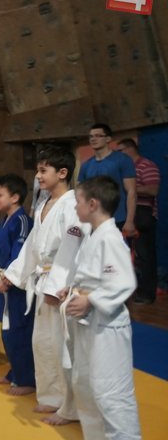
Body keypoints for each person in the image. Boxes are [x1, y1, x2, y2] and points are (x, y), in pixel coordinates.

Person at [3, 145, 85, 426]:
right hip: (42, 281)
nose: (38, 175)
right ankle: (51, 396)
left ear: (62, 173)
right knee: (43, 342)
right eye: (38, 170)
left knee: (63, 346)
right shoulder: (43, 204)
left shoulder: (72, 205)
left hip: (61, 286)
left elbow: (72, 247)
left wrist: (56, 287)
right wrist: (12, 274)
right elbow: (32, 246)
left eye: (42, 170)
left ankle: (70, 406)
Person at [58, 176, 140, 439]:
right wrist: (72, 290)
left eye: (78, 202)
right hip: (88, 322)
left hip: (107, 325)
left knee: (110, 392)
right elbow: (91, 276)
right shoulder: (93, 234)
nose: (75, 207)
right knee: (85, 385)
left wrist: (90, 299)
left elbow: (123, 282)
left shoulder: (110, 237)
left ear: (92, 204)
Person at [0, 174, 35, 396]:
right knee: (6, 331)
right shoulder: (4, 221)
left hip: (17, 285)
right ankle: (15, 371)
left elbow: (21, 255)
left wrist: (8, 278)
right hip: (3, 281)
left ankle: (26, 379)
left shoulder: (23, 221)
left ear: (15, 197)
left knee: (19, 331)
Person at [117, 138, 161, 304]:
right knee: (125, 255)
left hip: (143, 214)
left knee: (144, 255)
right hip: (127, 213)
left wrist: (129, 189)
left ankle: (147, 293)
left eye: (121, 150)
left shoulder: (146, 165)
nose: (119, 154)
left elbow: (153, 189)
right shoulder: (125, 168)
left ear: (130, 149)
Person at [78, 123, 136, 237]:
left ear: (108, 139)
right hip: (93, 220)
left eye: (98, 136)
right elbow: (81, 194)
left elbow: (131, 191)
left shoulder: (122, 160)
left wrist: (129, 221)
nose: (93, 139)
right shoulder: (86, 165)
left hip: (118, 218)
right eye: (91, 136)